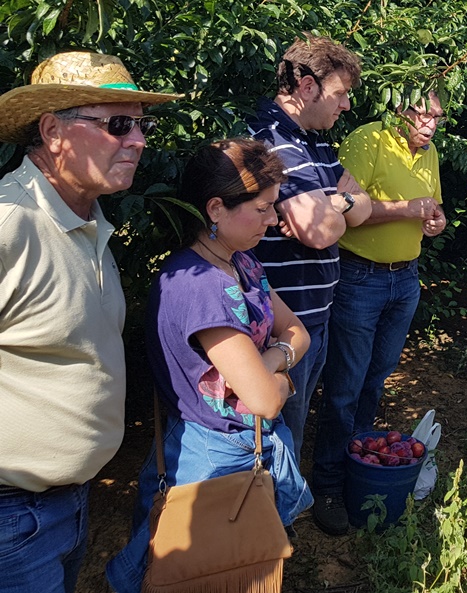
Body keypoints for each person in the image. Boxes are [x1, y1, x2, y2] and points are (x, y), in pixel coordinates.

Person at [0, 50, 178, 593]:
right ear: (54, 131)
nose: (139, 140)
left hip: (67, 504)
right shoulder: (11, 223)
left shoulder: (86, 221)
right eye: (118, 124)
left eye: (141, 124)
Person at [106, 138, 313, 592]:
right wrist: (280, 379)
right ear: (215, 208)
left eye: (273, 207)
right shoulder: (200, 286)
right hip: (211, 459)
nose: (274, 220)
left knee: (233, 564)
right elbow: (264, 400)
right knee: (199, 571)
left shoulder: (241, 263)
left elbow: (299, 330)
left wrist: (269, 363)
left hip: (240, 447)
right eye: (262, 209)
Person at [312, 89, 448, 535]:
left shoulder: (430, 155)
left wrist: (435, 222)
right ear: (398, 109)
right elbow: (343, 212)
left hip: (404, 277)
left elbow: (434, 208)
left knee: (377, 376)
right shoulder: (367, 140)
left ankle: (361, 459)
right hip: (360, 277)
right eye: (421, 115)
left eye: (437, 118)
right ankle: (329, 484)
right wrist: (407, 209)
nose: (429, 125)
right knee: (345, 385)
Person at [247, 34, 373, 463]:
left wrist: (337, 203)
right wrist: (335, 204)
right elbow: (319, 233)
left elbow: (362, 208)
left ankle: (280, 515)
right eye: (339, 94)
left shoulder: (313, 141)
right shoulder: (271, 142)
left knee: (293, 429)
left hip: (314, 316)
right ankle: (271, 523)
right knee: (277, 433)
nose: (346, 106)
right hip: (279, 327)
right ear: (306, 87)